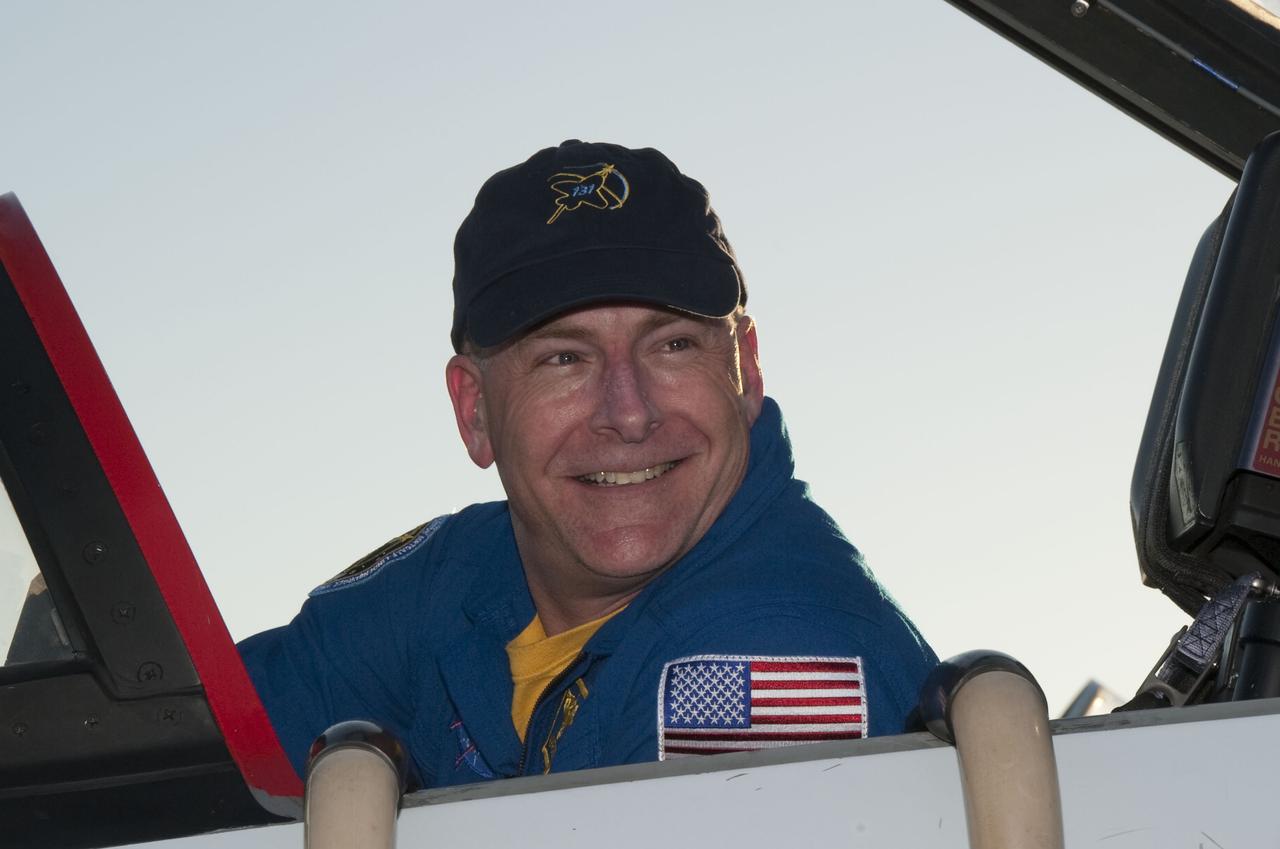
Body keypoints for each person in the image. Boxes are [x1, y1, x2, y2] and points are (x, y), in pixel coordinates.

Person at [238, 140, 936, 787]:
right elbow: (192, 742)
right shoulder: (466, 572)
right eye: (564, 358)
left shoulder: (774, 661)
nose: (629, 414)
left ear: (746, 371)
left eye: (674, 346)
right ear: (474, 410)